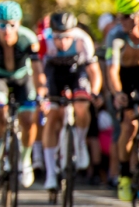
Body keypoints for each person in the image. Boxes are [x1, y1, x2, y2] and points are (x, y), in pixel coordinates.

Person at [0, 1, 47, 188]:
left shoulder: (28, 39)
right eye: (2, 25)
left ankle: (25, 162)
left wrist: (41, 90)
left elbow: (38, 71)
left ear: (19, 24)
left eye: (12, 24)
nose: (7, 29)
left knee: (28, 119)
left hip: (22, 79)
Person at [39, 12, 102, 192]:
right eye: (58, 37)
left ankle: (80, 143)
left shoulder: (83, 40)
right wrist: (42, 93)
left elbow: (94, 72)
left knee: (82, 105)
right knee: (52, 116)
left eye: (67, 36)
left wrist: (95, 92)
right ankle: (51, 174)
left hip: (77, 73)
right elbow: (39, 73)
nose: (63, 42)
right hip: (53, 75)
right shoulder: (44, 41)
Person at [104, 0, 139, 202]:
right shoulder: (115, 35)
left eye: (126, 16)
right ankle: (124, 174)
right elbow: (112, 70)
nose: (120, 21)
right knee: (129, 126)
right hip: (123, 77)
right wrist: (117, 94)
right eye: (119, 16)